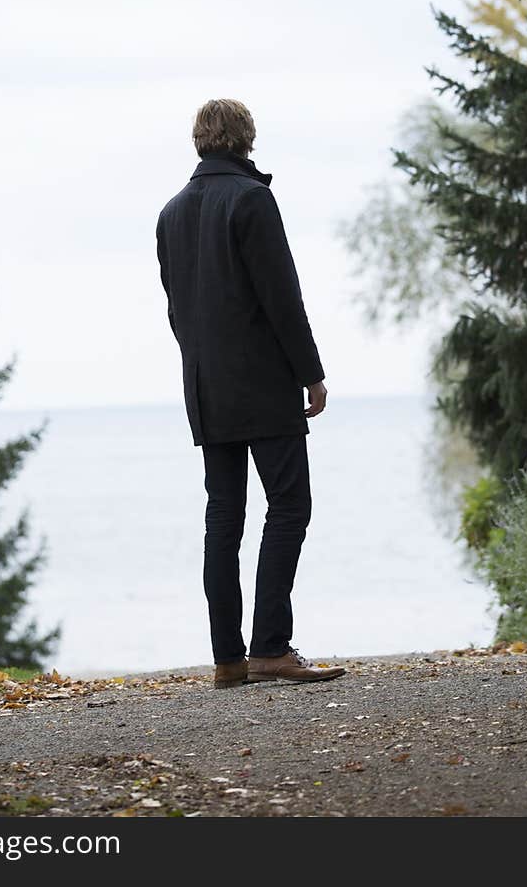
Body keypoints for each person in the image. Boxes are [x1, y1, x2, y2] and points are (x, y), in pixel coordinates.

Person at [156, 98, 345, 689]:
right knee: (289, 507)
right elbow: (281, 299)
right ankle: (269, 646)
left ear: (199, 141)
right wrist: (310, 372)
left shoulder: (170, 214)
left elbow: (177, 311)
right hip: (263, 382)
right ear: (246, 140)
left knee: (224, 516)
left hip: (206, 385)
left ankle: (227, 659)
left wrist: (200, 368)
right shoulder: (251, 200)